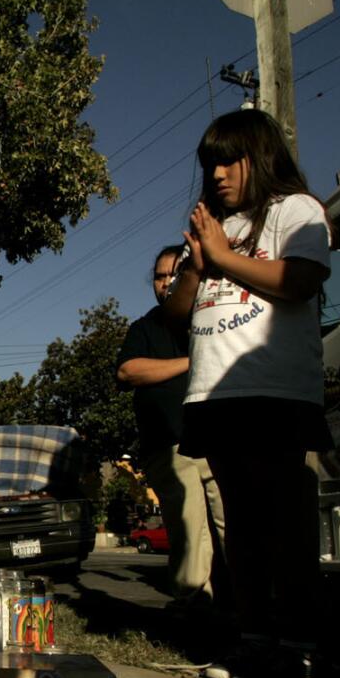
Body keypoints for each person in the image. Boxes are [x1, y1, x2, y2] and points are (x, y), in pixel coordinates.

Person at [162, 109, 332, 678]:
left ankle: (299, 651)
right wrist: (198, 265)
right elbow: (178, 310)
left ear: (258, 157)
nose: (217, 175)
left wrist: (225, 257)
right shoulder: (219, 228)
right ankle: (255, 642)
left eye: (228, 161)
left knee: (285, 524)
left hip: (275, 391)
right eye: (209, 165)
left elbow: (299, 282)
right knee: (243, 528)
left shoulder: (296, 211)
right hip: (217, 395)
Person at [117, 245, 226, 612]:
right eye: (159, 276)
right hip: (168, 443)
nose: (165, 283)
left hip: (217, 438)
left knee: (232, 523)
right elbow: (129, 371)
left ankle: (248, 605)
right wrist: (190, 361)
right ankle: (195, 603)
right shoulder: (145, 327)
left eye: (173, 274)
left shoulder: (211, 318)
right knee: (189, 528)